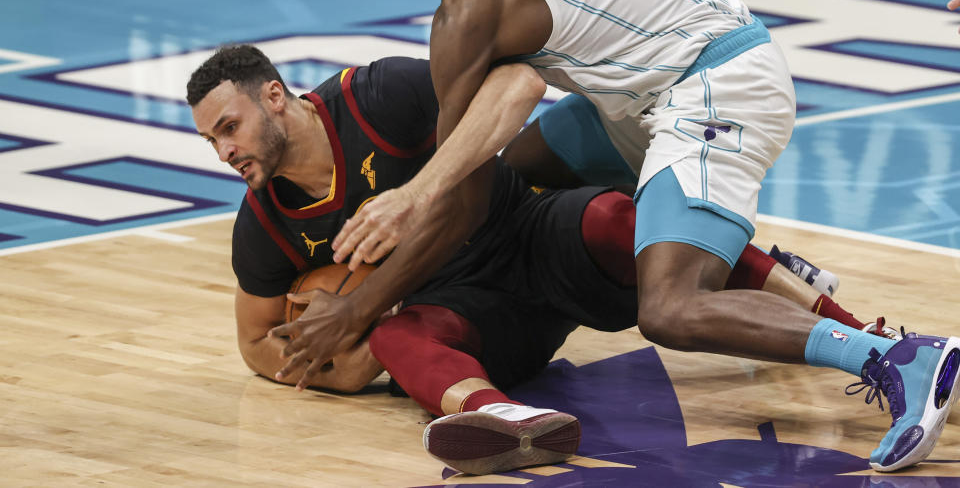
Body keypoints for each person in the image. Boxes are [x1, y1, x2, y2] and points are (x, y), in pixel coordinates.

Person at [272, 0, 959, 472]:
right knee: (528, 167)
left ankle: (898, 357)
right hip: (662, 85)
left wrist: (357, 307)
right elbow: (492, 146)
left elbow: (463, 203)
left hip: (712, 89)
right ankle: (724, 246)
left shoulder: (467, 9)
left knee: (670, 308)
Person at [186, 45, 894, 475]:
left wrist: (414, 206)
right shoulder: (265, 224)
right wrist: (343, 365)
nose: (225, 151)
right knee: (397, 337)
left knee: (620, 219)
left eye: (230, 128)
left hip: (522, 227)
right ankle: (509, 426)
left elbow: (508, 94)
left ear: (274, 98)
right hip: (473, 309)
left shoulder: (379, 95)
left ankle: (863, 335)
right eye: (212, 141)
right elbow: (254, 342)